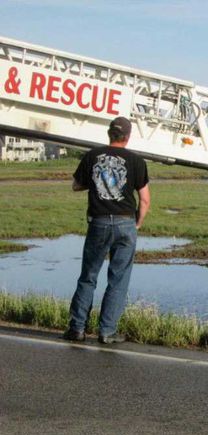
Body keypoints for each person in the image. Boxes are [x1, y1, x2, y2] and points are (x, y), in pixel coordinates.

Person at [63, 116, 150, 344]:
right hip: (125, 223)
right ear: (128, 137)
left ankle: (77, 329)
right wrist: (137, 223)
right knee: (118, 279)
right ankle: (107, 332)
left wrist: (95, 183)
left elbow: (75, 185)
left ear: (109, 133)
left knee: (88, 277)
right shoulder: (137, 161)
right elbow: (145, 200)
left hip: (99, 222)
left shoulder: (92, 156)